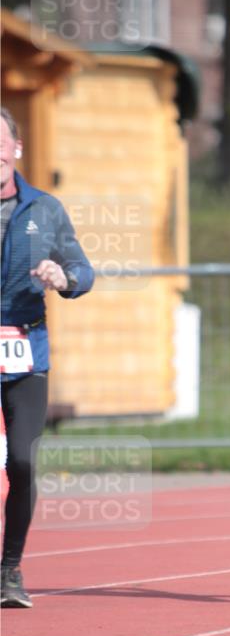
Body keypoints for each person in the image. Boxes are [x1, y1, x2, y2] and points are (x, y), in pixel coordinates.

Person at [1, 108, 94, 608]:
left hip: (24, 354)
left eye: (1, 141)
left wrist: (66, 278)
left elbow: (82, 266)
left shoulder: (44, 209)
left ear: (16, 148)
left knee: (22, 460)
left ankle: (9, 570)